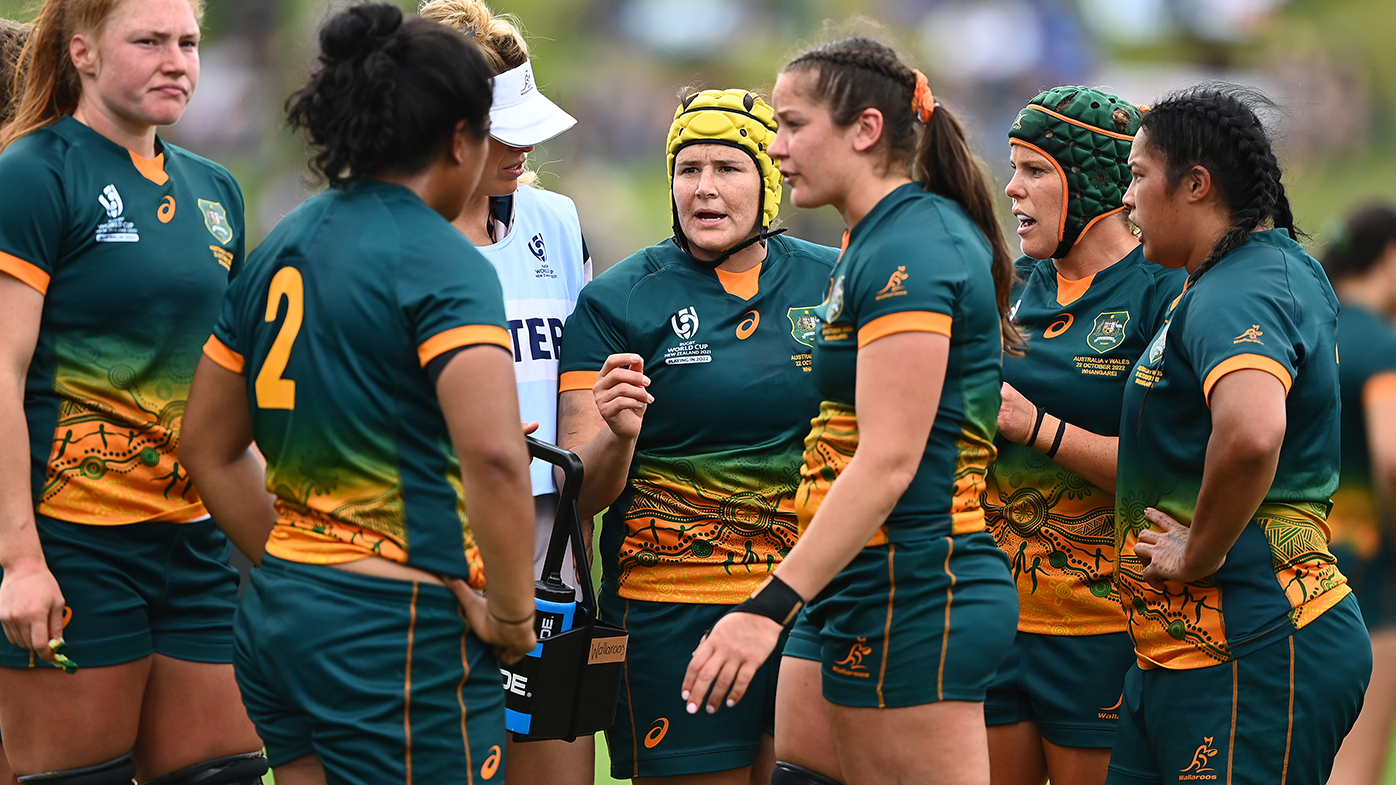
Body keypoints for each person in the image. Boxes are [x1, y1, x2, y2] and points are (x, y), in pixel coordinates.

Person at [179, 5, 536, 784]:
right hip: (393, 630)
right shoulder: (442, 260)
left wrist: (295, 557)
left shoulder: (281, 245)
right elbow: (497, 458)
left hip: (278, 614)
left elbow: (206, 444)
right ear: (458, 138)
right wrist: (512, 617)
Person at [682, 37, 1022, 785]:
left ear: (865, 130)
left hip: (918, 581)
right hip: (865, 577)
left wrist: (766, 605)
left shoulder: (916, 243)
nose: (775, 149)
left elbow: (891, 458)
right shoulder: (870, 239)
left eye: (793, 125)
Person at [0, 0, 267, 782]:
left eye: (187, 42)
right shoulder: (31, 174)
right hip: (74, 547)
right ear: (81, 51)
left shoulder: (217, 191)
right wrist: (20, 560)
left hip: (193, 547)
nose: (176, 60)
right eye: (147, 41)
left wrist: (287, 560)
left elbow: (228, 412)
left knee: (225, 772)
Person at [557, 86, 838, 783]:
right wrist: (618, 434)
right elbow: (579, 498)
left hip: (809, 604)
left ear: (769, 181)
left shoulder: (834, 284)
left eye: (728, 168)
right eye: (688, 169)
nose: (703, 189)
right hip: (669, 616)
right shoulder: (617, 301)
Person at [1109, 84, 1370, 785]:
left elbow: (1254, 432)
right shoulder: (1222, 281)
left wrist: (1198, 550)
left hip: (1254, 643)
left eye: (1137, 175)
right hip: (1181, 654)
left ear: (1195, 184)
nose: (1125, 199)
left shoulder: (1245, 286)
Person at [982, 87, 1183, 785]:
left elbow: (1174, 479)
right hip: (994, 623)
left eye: (1035, 170)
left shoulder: (1164, 292)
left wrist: (1035, 426)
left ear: (1094, 181)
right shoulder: (1008, 287)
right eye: (1013, 167)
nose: (1013, 187)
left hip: (1103, 627)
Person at [417, 3, 592, 779]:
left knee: (554, 760)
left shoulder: (555, 220)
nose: (523, 146)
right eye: (501, 128)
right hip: (426, 540)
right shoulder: (393, 239)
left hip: (552, 543)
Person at [1320, 205, 1396, 785]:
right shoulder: (1378, 344)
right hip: (1367, 582)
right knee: (1355, 766)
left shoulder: (1301, 327)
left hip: (1283, 572)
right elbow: (1392, 457)